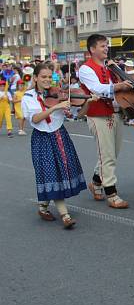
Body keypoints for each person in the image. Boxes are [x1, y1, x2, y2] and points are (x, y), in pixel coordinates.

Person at [22, 63, 91, 229]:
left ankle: (43, 206)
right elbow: (36, 119)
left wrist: (88, 102)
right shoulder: (28, 97)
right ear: (36, 78)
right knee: (52, 173)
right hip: (43, 138)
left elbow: (77, 115)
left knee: (58, 172)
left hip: (60, 135)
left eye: (49, 77)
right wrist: (56, 107)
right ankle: (65, 215)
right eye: (43, 77)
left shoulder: (58, 93)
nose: (47, 80)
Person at [78, 34, 133, 209]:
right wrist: (120, 86)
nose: (106, 48)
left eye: (106, 45)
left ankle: (95, 182)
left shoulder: (111, 68)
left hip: (114, 112)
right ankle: (112, 193)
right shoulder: (86, 69)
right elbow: (98, 89)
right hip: (97, 114)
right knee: (107, 155)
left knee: (111, 153)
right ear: (92, 49)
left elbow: (116, 93)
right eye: (102, 46)